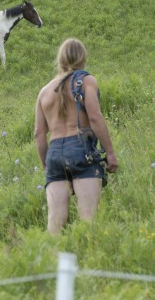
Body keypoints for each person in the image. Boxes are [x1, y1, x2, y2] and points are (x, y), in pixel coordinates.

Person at [34, 38, 119, 234]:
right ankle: (88, 259)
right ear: (83, 58)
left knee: (54, 225)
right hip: (81, 149)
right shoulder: (86, 81)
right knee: (89, 221)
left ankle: (50, 262)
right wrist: (110, 153)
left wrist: (46, 165)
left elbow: (39, 134)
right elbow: (95, 118)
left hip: (54, 152)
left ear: (60, 59)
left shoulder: (45, 91)